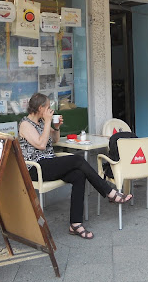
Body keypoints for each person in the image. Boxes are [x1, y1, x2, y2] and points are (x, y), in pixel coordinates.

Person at [18, 92, 132, 239]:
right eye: (48, 107)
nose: (50, 110)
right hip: (36, 168)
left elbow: (54, 140)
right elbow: (41, 144)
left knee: (78, 175)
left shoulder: (41, 122)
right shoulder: (25, 124)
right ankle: (110, 192)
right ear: (40, 108)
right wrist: (47, 122)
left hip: (49, 163)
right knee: (77, 160)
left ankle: (75, 224)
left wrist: (56, 127)